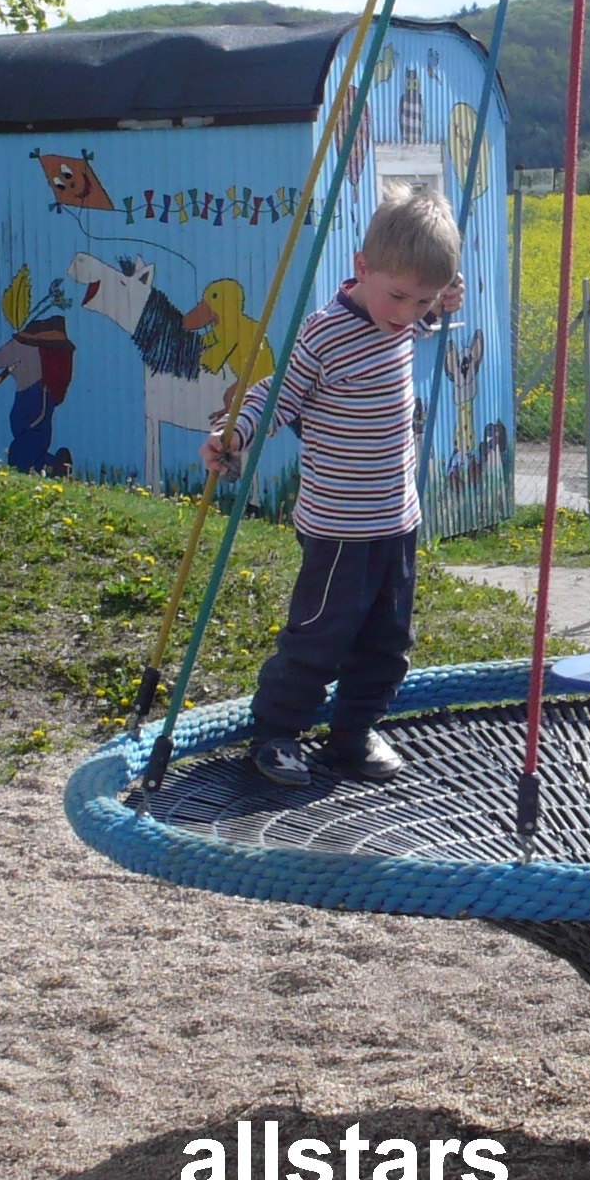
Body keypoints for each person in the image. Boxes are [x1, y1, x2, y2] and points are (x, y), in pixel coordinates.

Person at [203, 186, 462, 789]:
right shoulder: (324, 335)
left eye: (423, 301)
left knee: (388, 641)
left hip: (396, 520)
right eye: (399, 296)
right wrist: (234, 433)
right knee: (320, 635)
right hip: (338, 527)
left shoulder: (404, 316)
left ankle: (353, 732)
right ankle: (276, 732)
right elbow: (274, 396)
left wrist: (440, 302)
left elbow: (424, 309)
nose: (407, 314)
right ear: (361, 268)